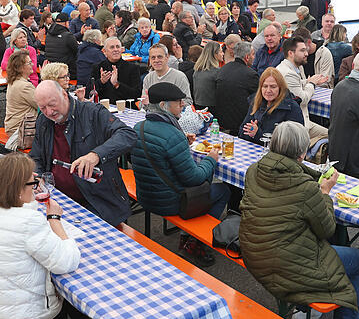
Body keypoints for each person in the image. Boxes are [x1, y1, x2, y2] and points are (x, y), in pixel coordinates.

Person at [240, 121, 359, 319]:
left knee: (306, 240)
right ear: (302, 153)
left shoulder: (254, 170)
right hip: (284, 266)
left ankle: (302, 312)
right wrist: (325, 192)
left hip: (253, 252)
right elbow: (327, 229)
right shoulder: (306, 188)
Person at [0, 154, 102, 319]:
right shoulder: (28, 222)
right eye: (32, 183)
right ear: (17, 190)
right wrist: (54, 219)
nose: (35, 187)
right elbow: (67, 262)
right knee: (62, 303)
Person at [131, 82, 230, 266]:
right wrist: (211, 159)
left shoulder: (139, 127)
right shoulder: (172, 134)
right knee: (224, 190)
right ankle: (194, 242)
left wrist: (183, 141)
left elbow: (158, 152)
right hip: (171, 203)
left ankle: (190, 237)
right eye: (178, 102)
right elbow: (194, 178)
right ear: (163, 105)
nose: (183, 105)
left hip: (146, 197)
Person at [31, 80, 136, 226]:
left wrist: (96, 155)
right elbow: (36, 157)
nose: (49, 112)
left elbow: (127, 134)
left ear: (64, 95)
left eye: (52, 104)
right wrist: (37, 176)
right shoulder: (43, 120)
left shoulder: (92, 112)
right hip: (58, 197)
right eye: (42, 108)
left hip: (97, 202)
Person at [276, 37, 330, 138]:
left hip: (300, 122)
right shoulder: (288, 74)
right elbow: (302, 99)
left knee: (331, 134)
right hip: (297, 127)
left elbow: (295, 84)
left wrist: (308, 81)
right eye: (302, 50)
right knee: (332, 136)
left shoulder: (286, 68)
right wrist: (312, 84)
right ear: (291, 53)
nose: (306, 54)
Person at [239, 67, 305, 146]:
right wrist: (251, 133)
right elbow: (242, 132)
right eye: (265, 86)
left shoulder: (292, 107)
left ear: (280, 88)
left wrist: (257, 134)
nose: (268, 90)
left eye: (273, 87)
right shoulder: (256, 102)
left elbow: (293, 143)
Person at [91, 37, 141, 101]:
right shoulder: (98, 67)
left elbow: (137, 94)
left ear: (121, 50)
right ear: (105, 51)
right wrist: (101, 82)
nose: (115, 50)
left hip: (126, 105)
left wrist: (117, 85)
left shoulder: (133, 68)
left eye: (118, 47)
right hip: (104, 105)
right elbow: (89, 92)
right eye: (112, 47)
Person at [3, 50, 39, 134]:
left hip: (14, 126)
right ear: (20, 67)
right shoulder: (24, 86)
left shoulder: (14, 81)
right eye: (29, 63)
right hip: (21, 130)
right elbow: (41, 105)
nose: (32, 65)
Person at [45, 12, 78, 78]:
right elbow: (77, 50)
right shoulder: (68, 36)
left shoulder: (48, 34)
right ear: (66, 23)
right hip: (66, 70)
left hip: (51, 68)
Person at [192, 41, 224, 111]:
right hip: (213, 109)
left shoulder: (197, 71)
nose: (223, 54)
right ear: (215, 54)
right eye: (221, 52)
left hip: (198, 107)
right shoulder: (217, 72)